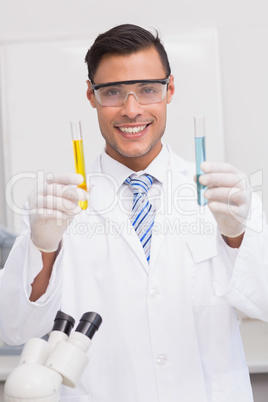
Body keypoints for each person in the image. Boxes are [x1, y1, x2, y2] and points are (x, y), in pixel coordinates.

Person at [0, 23, 267, 402]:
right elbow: (15, 328)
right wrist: (45, 250)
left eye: (147, 90)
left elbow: (264, 303)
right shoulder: (59, 205)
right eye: (112, 92)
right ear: (91, 97)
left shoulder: (224, 194)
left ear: (169, 89)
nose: (131, 110)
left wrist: (236, 237)